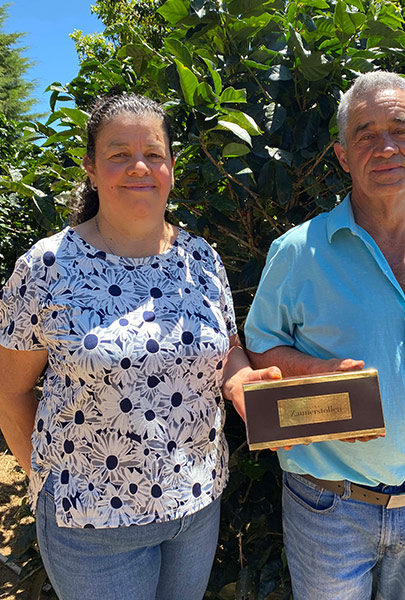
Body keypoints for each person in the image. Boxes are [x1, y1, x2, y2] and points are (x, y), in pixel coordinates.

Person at [0, 93, 279, 600]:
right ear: (90, 168)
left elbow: (226, 346)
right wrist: (47, 483)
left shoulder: (201, 258)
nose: (139, 167)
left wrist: (239, 378)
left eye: (153, 153)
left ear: (171, 167)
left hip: (195, 508)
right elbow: (11, 392)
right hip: (91, 526)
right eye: (117, 154)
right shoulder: (45, 267)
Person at [244, 71, 405, 599]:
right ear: (342, 156)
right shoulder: (297, 252)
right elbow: (258, 349)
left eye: (399, 129)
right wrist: (318, 374)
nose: (384, 146)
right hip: (326, 507)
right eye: (364, 133)